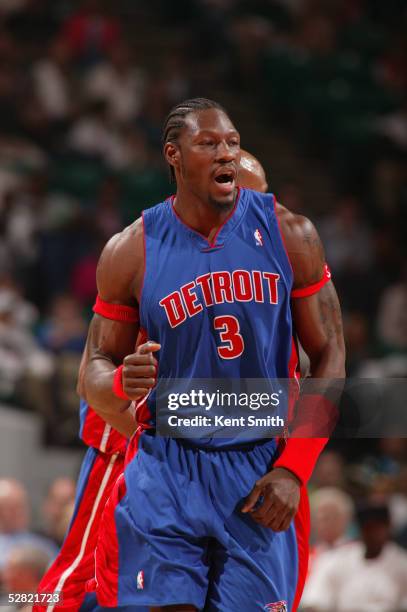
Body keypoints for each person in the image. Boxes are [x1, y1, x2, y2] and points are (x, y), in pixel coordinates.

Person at [79, 97, 345, 611]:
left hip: (259, 466)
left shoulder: (292, 235)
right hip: (167, 463)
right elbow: (92, 369)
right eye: (208, 144)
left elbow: (330, 352)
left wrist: (295, 468)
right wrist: (118, 383)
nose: (225, 154)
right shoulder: (130, 250)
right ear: (173, 155)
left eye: (232, 143)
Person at [33, 147, 272, 612]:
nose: (252, 215)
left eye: (259, 204)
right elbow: (92, 378)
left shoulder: (253, 271)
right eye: (240, 199)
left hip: (200, 466)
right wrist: (172, 449)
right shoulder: (148, 253)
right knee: (78, 586)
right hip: (131, 452)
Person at [301, 503, 407, 611]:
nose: (373, 534)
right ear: (361, 530)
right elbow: (315, 598)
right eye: (368, 528)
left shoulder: (402, 563)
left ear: (388, 528)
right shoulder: (339, 558)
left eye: (378, 528)